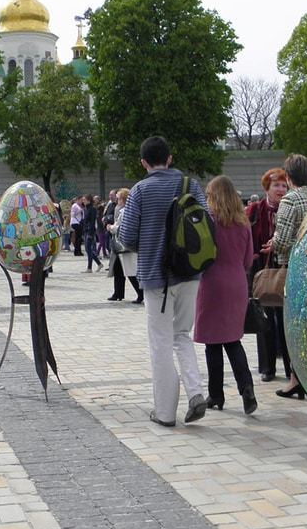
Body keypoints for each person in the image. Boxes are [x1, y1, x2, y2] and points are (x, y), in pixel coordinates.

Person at [118, 136, 209, 427]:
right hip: (190, 272)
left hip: (157, 277)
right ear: (169, 158)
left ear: (144, 162)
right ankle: (195, 392)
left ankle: (165, 412)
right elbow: (206, 223)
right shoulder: (190, 185)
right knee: (182, 334)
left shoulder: (140, 190)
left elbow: (127, 236)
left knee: (160, 342)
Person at [194, 176, 256, 415]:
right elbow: (248, 259)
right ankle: (247, 388)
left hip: (212, 284)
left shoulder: (209, 222)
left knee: (212, 344)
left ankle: (216, 395)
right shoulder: (243, 222)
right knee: (233, 340)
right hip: (237, 283)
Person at [265, 154, 307, 400]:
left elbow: (283, 241)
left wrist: (272, 243)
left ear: (288, 177)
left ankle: (296, 379)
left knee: (293, 326)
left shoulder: (290, 200)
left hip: (294, 269)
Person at [246, 168, 291, 383]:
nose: (281, 190)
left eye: (283, 185)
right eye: (276, 185)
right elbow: (247, 235)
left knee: (285, 318)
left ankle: (291, 368)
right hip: (261, 270)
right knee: (264, 317)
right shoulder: (255, 210)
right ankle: (267, 367)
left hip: (284, 268)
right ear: (267, 187)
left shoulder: (290, 208)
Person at [107, 188, 143, 303]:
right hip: (120, 246)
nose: (117, 201)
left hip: (125, 246)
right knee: (118, 270)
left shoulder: (126, 212)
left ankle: (141, 293)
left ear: (123, 199)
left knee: (131, 271)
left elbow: (123, 228)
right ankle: (118, 293)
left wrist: (111, 228)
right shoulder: (124, 210)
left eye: (118, 198)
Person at [82, 196, 102, 272]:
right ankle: (99, 264)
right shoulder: (85, 209)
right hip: (86, 231)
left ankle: (89, 268)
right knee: (88, 250)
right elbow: (85, 221)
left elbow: (92, 222)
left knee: (88, 249)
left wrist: (90, 233)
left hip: (90, 231)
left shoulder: (92, 209)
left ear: (89, 200)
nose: (83, 201)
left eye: (84, 200)